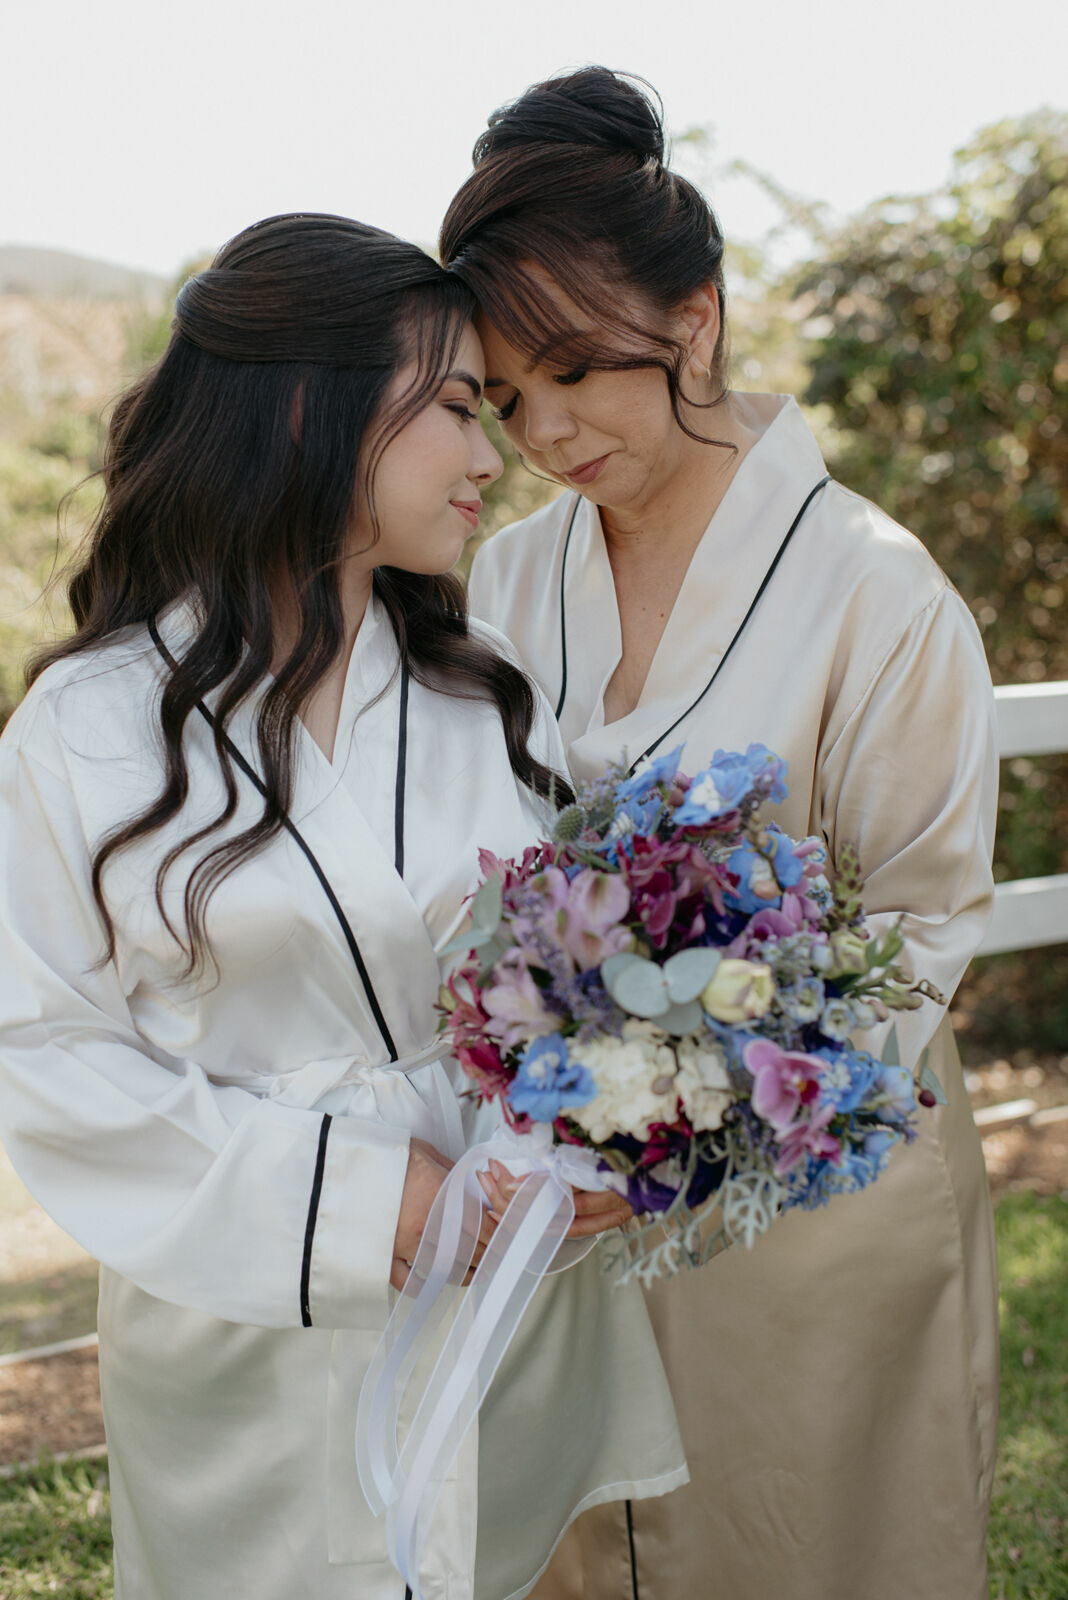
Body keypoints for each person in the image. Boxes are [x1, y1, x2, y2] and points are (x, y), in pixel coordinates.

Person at [0, 213, 687, 1600]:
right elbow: (43, 1051)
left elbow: (569, 954)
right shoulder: (91, 726)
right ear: (310, 410)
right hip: (251, 1318)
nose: (494, 458)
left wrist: (576, 1134)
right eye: (452, 409)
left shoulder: (477, 683)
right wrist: (372, 1194)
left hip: (504, 1283)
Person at [440, 70, 1000, 1600]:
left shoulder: (874, 589)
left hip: (810, 1225)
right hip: (557, 1210)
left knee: (806, 1547)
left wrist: (703, 1113)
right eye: (501, 396)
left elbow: (924, 925)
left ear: (696, 317)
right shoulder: (505, 586)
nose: (543, 433)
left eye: (574, 373)